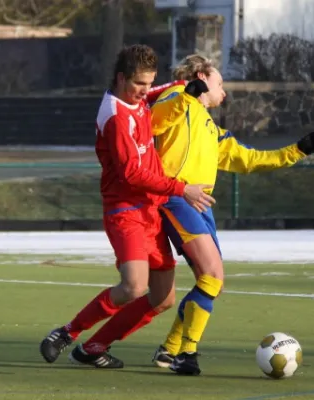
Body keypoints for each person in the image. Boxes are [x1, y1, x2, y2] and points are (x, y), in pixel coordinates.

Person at [39, 45, 215, 368]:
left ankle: (94, 347)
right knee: (134, 286)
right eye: (139, 84)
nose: (144, 92)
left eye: (149, 83)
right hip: (125, 211)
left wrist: (183, 88)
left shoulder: (135, 97)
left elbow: (155, 94)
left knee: (163, 298)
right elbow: (132, 174)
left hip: (150, 211)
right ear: (121, 78)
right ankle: (67, 332)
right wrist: (181, 189)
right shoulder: (116, 117)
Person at [148, 55, 314, 375]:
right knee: (212, 276)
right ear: (201, 76)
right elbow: (153, 121)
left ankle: (170, 349)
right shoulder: (175, 98)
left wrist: (297, 151)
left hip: (201, 208)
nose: (224, 92)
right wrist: (188, 94)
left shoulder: (212, 129)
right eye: (220, 84)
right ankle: (186, 353)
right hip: (175, 199)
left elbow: (250, 159)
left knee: (213, 281)